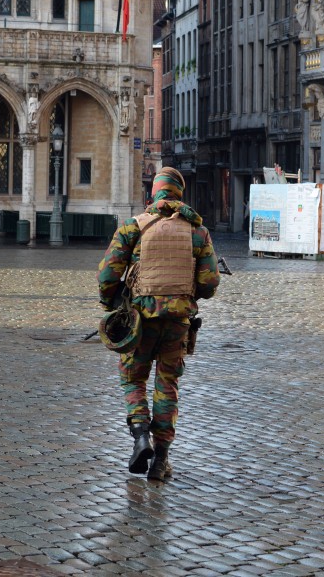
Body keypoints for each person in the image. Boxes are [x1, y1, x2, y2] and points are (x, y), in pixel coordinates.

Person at [97, 167, 220, 481]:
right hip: (177, 323)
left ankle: (141, 438)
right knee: (167, 387)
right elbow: (209, 283)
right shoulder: (197, 231)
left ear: (154, 193)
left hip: (140, 322)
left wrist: (111, 303)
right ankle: (160, 461)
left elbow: (107, 275)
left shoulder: (134, 227)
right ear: (179, 194)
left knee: (133, 380)